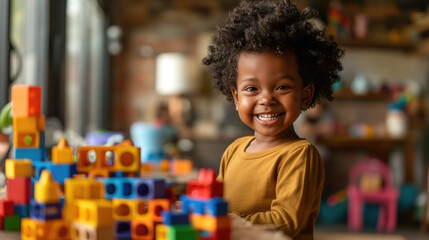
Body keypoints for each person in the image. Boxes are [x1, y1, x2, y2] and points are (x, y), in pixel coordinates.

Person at [202, 0, 343, 239]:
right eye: (251, 89)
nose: (266, 99)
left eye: (282, 87)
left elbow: (285, 221)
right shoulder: (234, 151)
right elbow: (214, 203)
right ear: (236, 98)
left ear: (305, 95)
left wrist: (226, 220)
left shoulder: (300, 155)